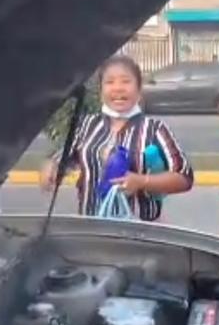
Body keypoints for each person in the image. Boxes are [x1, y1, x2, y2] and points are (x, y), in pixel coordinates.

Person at [40, 55, 193, 220]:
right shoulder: (87, 125)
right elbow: (61, 160)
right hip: (92, 227)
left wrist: (143, 181)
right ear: (101, 91)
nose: (118, 88)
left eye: (126, 81)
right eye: (110, 82)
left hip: (138, 233)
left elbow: (184, 178)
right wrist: (51, 167)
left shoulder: (155, 129)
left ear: (139, 90)